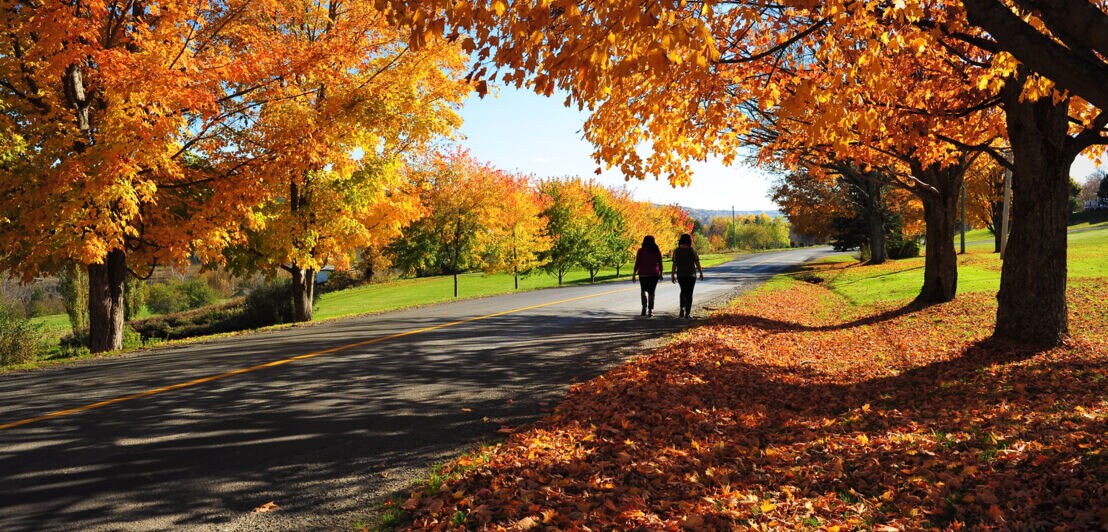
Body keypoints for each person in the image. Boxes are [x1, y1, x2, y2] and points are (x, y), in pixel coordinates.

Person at [670, 233, 703, 318]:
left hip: (681, 275)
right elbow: (697, 262)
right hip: (691, 275)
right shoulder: (692, 250)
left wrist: (672, 275)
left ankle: (682, 309)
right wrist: (701, 273)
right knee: (689, 293)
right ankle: (687, 313)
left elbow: (674, 264)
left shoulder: (676, 251)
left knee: (683, 291)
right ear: (689, 241)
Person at [630, 235, 664, 317]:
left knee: (643, 290)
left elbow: (637, 262)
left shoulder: (641, 251)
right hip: (654, 274)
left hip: (643, 274)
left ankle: (644, 308)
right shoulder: (657, 251)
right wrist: (661, 273)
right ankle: (650, 310)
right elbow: (660, 262)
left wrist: (634, 273)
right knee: (651, 292)